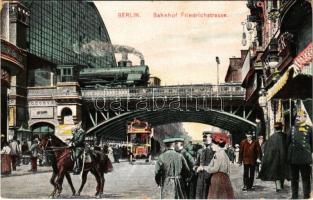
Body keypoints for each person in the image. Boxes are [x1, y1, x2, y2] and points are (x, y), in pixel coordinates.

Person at [287, 109, 312, 199]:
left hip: (305, 158)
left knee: (306, 179)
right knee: (294, 179)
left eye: (300, 116)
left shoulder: (310, 129)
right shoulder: (292, 129)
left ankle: (306, 196)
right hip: (294, 158)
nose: (297, 118)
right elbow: (287, 143)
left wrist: (310, 155)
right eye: (297, 116)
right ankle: (294, 196)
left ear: (305, 117)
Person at [200, 133, 235, 199]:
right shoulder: (223, 153)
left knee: (216, 196)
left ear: (217, 145)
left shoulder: (218, 154)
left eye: (212, 145)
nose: (212, 146)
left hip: (218, 179)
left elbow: (215, 169)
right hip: (225, 178)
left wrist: (204, 168)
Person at [259, 122, 290, 192]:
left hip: (275, 159)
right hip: (284, 158)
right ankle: (281, 185)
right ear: (281, 128)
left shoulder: (271, 138)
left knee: (276, 173)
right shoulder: (286, 136)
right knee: (282, 172)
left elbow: (267, 150)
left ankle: (278, 187)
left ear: (275, 129)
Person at [194, 133, 215, 199]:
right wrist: (196, 168)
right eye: (204, 137)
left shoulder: (214, 151)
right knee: (199, 194)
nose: (205, 139)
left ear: (211, 139)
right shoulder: (200, 151)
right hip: (200, 176)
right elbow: (196, 164)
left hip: (210, 176)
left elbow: (216, 165)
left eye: (207, 137)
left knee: (208, 194)